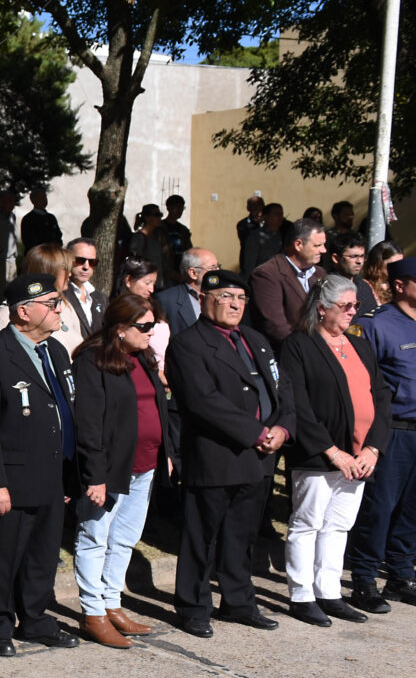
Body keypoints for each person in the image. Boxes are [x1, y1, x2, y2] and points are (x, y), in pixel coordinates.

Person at [166, 270, 295, 637]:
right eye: (225, 296)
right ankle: (193, 607)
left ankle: (239, 602)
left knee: (242, 535)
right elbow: (203, 401)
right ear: (204, 299)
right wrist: (256, 433)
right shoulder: (188, 344)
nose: (235, 304)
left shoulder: (254, 339)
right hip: (217, 456)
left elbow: (282, 387)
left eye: (240, 298)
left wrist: (283, 428)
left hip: (260, 455)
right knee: (201, 537)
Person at [0, 273, 79, 656]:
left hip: (51, 473)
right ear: (23, 312)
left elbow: (64, 411)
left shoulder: (55, 351)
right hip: (11, 478)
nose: (59, 310)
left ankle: (35, 619)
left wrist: (70, 474)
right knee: (1, 557)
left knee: (42, 556)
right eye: (51, 303)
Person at [277, 276, 390, 626]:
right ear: (322, 308)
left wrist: (372, 448)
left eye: (356, 305)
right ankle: (302, 595)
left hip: (359, 456)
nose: (353, 311)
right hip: (319, 454)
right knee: (308, 522)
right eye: (346, 305)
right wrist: (332, 452)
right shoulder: (299, 344)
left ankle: (328, 592)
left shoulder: (358, 345)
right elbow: (298, 404)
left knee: (339, 525)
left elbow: (381, 397)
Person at [70, 294, 170, 648]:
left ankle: (112, 602)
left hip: (144, 464)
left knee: (125, 537)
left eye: (153, 324)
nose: (151, 332)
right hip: (110, 467)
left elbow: (159, 407)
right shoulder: (93, 360)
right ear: (120, 328)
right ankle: (92, 612)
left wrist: (167, 452)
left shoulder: (143, 357)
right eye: (144, 326)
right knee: (95, 536)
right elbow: (88, 423)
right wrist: (95, 475)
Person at [345, 258, 416, 613]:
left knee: (411, 509)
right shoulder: (375, 325)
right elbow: (359, 381)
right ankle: (364, 578)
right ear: (400, 285)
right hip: (394, 430)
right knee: (379, 507)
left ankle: (401, 575)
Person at [249, 217, 328, 348]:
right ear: (298, 245)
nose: (324, 250)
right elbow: (275, 326)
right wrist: (307, 350)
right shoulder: (267, 274)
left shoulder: (320, 273)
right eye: (317, 245)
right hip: (290, 351)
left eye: (323, 245)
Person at [0, 244, 82, 360]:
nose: (70, 274)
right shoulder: (10, 314)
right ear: (49, 271)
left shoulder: (65, 305)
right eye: (65, 269)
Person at [117, 256, 171, 383]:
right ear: (128, 280)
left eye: (153, 283)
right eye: (147, 283)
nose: (151, 289)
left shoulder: (154, 306)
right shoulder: (119, 313)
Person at [154, 248, 221, 333]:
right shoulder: (166, 300)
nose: (218, 272)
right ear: (193, 273)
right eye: (213, 268)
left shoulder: (222, 295)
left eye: (218, 267)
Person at [62, 237, 108, 339]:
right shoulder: (60, 294)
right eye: (80, 260)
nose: (86, 267)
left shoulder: (101, 298)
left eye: (92, 262)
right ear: (67, 260)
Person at [327, 235, 377, 315]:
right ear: (336, 258)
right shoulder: (326, 287)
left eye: (362, 256)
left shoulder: (364, 287)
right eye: (353, 256)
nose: (359, 261)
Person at [241, 202, 286, 273]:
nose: (280, 217)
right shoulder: (256, 236)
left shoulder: (284, 235)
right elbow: (250, 264)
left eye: (281, 214)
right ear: (266, 216)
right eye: (276, 214)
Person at [130, 204, 168, 282]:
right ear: (147, 218)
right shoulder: (139, 238)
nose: (159, 218)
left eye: (160, 215)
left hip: (158, 282)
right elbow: (135, 262)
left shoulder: (158, 237)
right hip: (145, 282)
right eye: (156, 215)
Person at [161, 194, 193, 284]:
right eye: (177, 207)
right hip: (164, 272)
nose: (180, 211)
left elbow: (188, 250)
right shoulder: (160, 228)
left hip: (181, 271)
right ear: (168, 208)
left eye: (182, 208)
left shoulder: (184, 230)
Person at [364, 240, 402, 308]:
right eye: (393, 264)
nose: (398, 267)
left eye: (400, 263)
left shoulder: (398, 285)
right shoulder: (364, 286)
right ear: (379, 263)